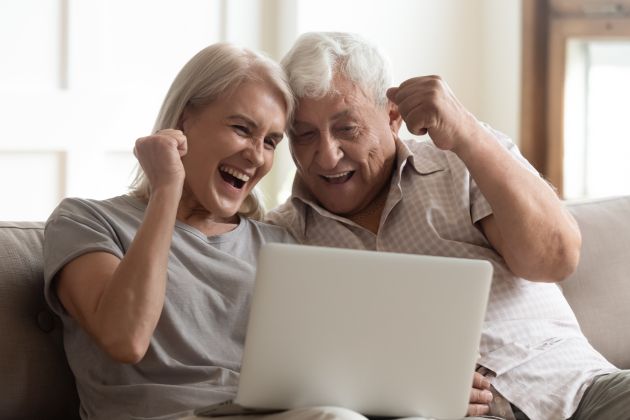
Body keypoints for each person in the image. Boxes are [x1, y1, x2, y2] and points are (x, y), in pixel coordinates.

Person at [267, 32, 630, 420]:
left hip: (578, 392)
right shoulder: (283, 239)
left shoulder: (463, 160)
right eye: (304, 135)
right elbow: (284, 376)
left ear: (392, 116)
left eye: (347, 128)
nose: (327, 155)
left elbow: (554, 260)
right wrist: (401, 388)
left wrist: (469, 134)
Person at [43, 42, 316, 420]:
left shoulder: (280, 245)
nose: (256, 155)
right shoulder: (85, 221)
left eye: (270, 142)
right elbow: (126, 337)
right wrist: (166, 189)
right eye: (242, 129)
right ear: (184, 123)